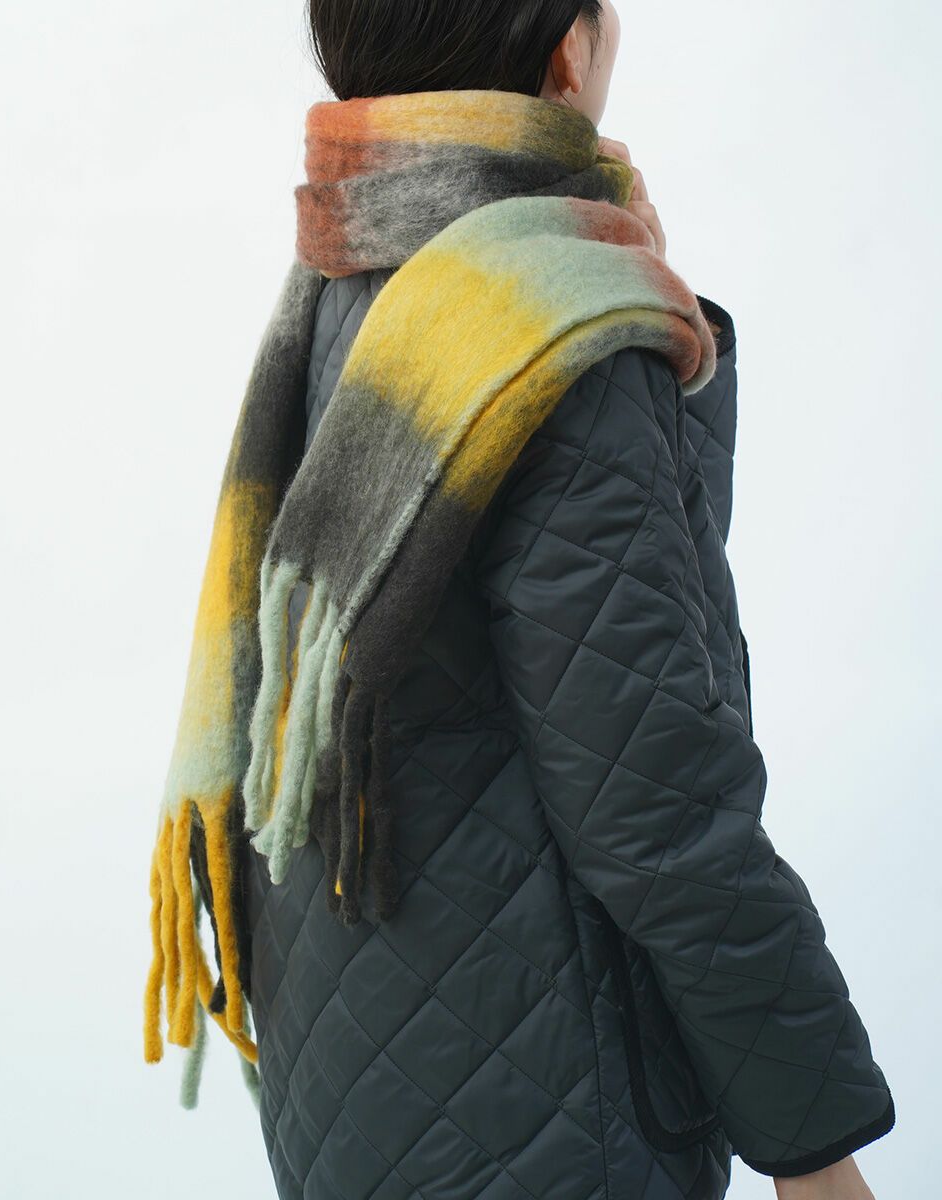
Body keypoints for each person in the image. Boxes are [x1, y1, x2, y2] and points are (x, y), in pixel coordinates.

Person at [149, 3, 894, 1198]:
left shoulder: (353, 257)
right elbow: (655, 803)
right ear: (565, 51)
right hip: (552, 1106)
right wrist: (815, 1147)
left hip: (353, 1077)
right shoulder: (551, 315)